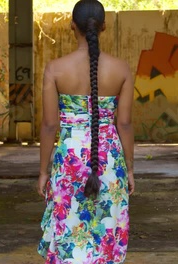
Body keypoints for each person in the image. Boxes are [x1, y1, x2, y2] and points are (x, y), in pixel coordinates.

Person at [36, 0, 135, 262]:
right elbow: (123, 124)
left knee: (69, 228)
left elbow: (49, 125)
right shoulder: (122, 69)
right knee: (106, 230)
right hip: (110, 161)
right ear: (103, 27)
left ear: (72, 26)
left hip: (70, 160)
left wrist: (44, 171)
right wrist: (130, 169)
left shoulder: (55, 69)